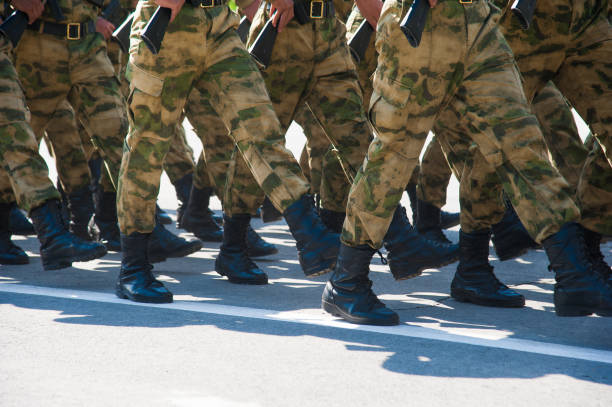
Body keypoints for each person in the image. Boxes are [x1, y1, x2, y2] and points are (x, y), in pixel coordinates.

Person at [322, 0, 612, 325]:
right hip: (422, 22)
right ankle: (347, 279)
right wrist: (379, 12)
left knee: (518, 136)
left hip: (479, 21)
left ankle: (572, 270)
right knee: (395, 152)